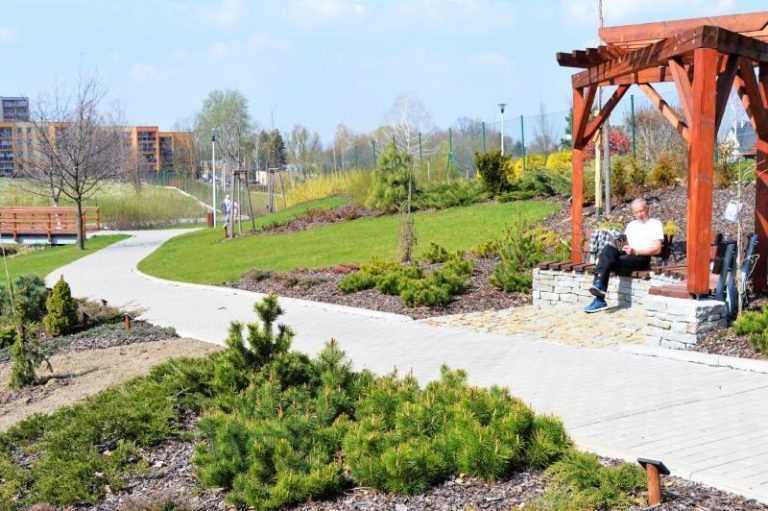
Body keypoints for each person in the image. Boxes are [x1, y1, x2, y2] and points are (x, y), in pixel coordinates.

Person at [584, 197, 663, 313]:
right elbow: (625, 243)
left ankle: (599, 299)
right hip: (626, 255)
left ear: (648, 208)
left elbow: (657, 249)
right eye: (636, 212)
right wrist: (620, 244)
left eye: (641, 211)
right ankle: (599, 285)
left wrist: (635, 251)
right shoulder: (631, 225)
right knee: (607, 249)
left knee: (605, 262)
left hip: (640, 258)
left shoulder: (655, 224)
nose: (639, 215)